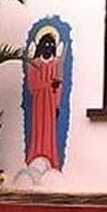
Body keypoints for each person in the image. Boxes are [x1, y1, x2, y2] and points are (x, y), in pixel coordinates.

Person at [25, 29, 63, 170]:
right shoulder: (35, 64)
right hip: (39, 102)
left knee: (49, 129)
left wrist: (57, 104)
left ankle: (50, 156)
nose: (48, 47)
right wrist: (48, 84)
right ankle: (36, 154)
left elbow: (59, 86)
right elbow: (32, 85)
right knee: (38, 127)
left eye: (50, 44)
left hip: (51, 102)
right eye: (45, 44)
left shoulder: (55, 64)